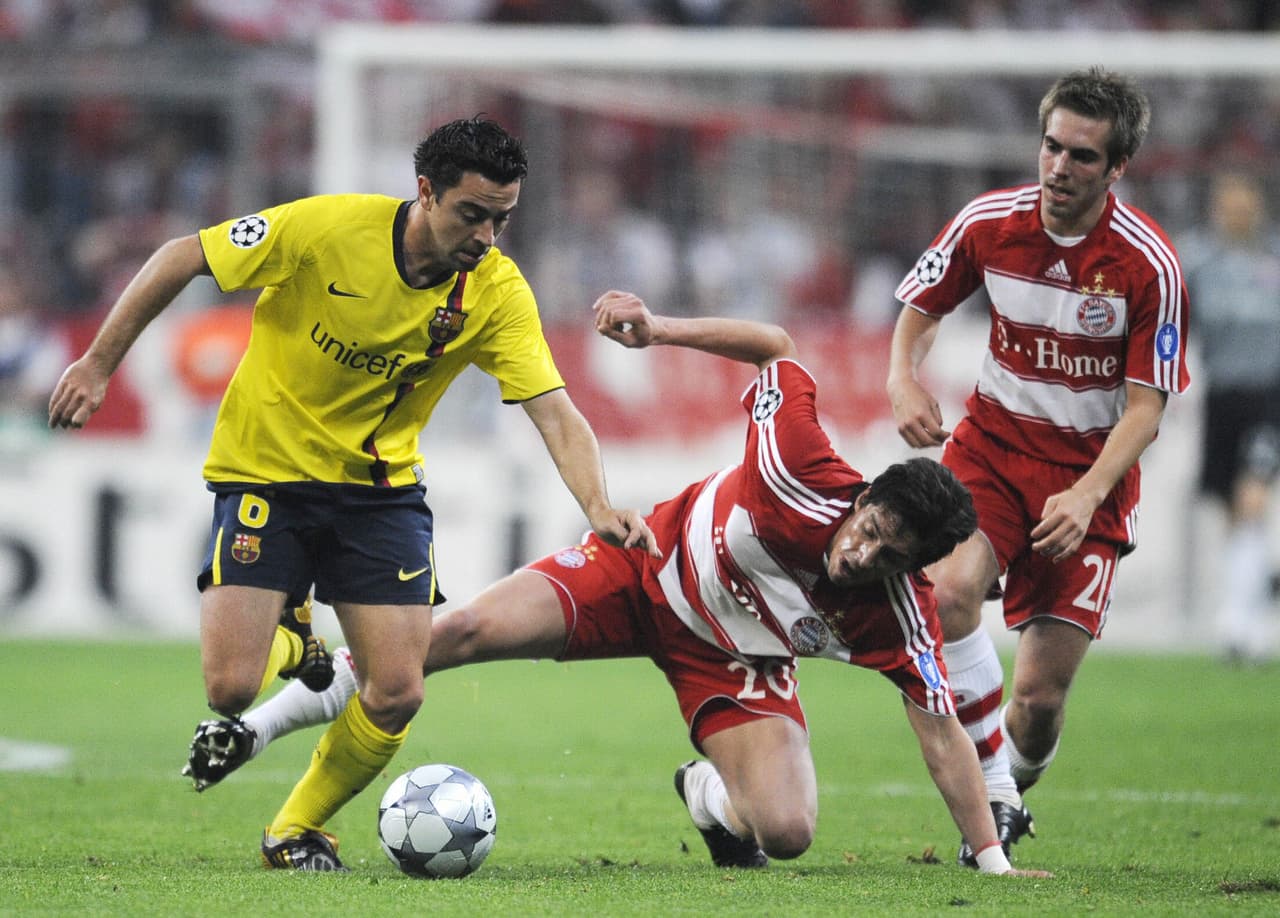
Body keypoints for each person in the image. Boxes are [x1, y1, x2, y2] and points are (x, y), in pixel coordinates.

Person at [182, 290, 1053, 878]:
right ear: (862, 498)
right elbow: (778, 350)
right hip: (638, 572)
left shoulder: (901, 617)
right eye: (869, 529)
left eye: (890, 555)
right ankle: (254, 732)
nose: (865, 555)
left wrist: (990, 862)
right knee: (445, 637)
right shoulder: (797, 464)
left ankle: (707, 793)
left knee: (785, 834)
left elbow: (942, 730)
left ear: (914, 568)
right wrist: (661, 329)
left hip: (734, 665)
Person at [47, 118, 657, 871]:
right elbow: (182, 257)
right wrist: (98, 365)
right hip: (265, 470)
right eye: (473, 214)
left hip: (380, 494)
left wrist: (598, 506)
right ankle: (293, 625)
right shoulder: (325, 229)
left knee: (397, 691)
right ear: (426, 193)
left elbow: (554, 410)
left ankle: (293, 831)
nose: (488, 235)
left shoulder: (497, 292)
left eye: (503, 216)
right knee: (230, 690)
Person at [886, 67, 1190, 867]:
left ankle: (1010, 782)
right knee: (947, 595)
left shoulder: (1146, 265)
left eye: (1082, 157)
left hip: (1087, 481)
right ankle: (997, 805)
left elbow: (1147, 407)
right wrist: (902, 377)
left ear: (1116, 167)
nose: (1059, 167)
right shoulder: (989, 222)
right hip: (991, 451)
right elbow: (920, 310)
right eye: (1051, 147)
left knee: (1040, 701)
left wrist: (1089, 495)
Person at [1180, 170, 1280, 663]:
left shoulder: (1275, 258)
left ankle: (1243, 622)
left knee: (1252, 497)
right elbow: (1174, 318)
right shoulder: (1200, 262)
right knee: (1230, 507)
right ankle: (1247, 605)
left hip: (1269, 395)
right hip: (1221, 396)